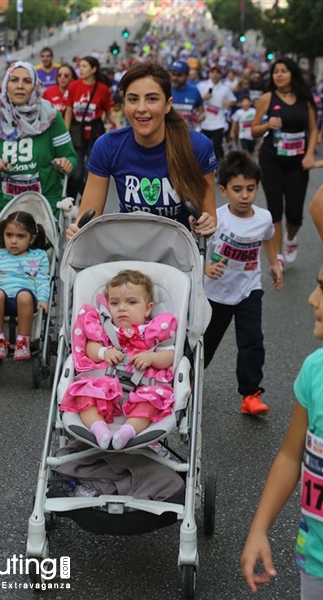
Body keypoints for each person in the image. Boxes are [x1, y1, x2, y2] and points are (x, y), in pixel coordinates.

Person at [241, 263, 323, 599]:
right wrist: (259, 529)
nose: (311, 298)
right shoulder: (314, 372)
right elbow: (291, 456)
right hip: (315, 559)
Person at [67, 62, 217, 241]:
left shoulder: (198, 146)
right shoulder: (107, 146)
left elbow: (209, 217)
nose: (141, 108)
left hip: (180, 255)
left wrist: (206, 223)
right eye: (132, 99)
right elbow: (87, 218)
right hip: (129, 253)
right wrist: (77, 230)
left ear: (168, 104)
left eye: (152, 99)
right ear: (124, 104)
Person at [60, 269, 177, 450]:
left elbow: (170, 356)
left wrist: (151, 357)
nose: (121, 308)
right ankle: (99, 430)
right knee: (85, 394)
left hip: (143, 384)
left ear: (147, 308)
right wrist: (103, 352)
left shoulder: (154, 329)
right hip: (105, 382)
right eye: (114, 303)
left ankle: (127, 432)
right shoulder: (104, 327)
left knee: (153, 400)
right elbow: (90, 347)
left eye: (131, 302)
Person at [204, 151, 282, 415]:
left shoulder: (262, 217)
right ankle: (186, 380)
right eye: (237, 189)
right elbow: (196, 247)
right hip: (215, 292)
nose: (245, 195)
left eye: (250, 189)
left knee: (252, 341)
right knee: (206, 342)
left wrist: (273, 263)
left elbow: (268, 237)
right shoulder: (216, 219)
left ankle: (250, 394)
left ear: (257, 188)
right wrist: (206, 266)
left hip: (249, 289)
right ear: (224, 190)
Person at [0, 61, 77, 217]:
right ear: (6, 84)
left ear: (35, 86)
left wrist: (66, 164)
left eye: (27, 81)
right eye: (14, 80)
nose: (20, 86)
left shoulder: (50, 115)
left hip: (46, 205)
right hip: (6, 205)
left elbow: (70, 157)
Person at [252, 57, 318, 271]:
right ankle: (278, 255)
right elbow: (253, 130)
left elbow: (313, 129)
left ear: (292, 74)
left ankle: (291, 237)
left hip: (298, 162)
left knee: (295, 214)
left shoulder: (305, 100)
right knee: (275, 209)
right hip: (271, 160)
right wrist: (266, 125)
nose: (279, 75)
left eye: (284, 71)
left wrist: (309, 155)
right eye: (275, 71)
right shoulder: (267, 98)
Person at [0, 211, 50, 361]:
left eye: (20, 236)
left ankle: (23, 342)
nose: (13, 241)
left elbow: (42, 280)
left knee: (24, 295)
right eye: (9, 235)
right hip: (2, 302)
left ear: (32, 238)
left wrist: (43, 299)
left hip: (28, 302)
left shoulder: (39, 256)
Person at [64, 56, 119, 203]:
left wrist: (119, 126)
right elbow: (69, 111)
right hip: (77, 135)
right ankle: (86, 198)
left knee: (91, 172)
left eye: (84, 66)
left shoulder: (102, 89)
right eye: (80, 66)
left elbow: (109, 113)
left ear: (93, 69)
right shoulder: (73, 86)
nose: (80, 69)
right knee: (76, 174)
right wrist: (65, 133)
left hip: (95, 134)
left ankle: (87, 202)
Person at [197, 65, 236, 161]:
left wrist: (229, 103)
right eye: (212, 72)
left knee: (218, 147)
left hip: (218, 122)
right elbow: (194, 101)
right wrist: (203, 98)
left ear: (220, 75)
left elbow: (233, 100)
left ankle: (220, 168)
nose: (214, 75)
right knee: (201, 147)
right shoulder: (201, 86)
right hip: (204, 122)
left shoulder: (225, 89)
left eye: (217, 73)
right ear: (209, 74)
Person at [169, 59, 204, 128]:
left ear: (187, 76)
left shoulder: (194, 91)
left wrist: (201, 115)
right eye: (173, 74)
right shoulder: (166, 90)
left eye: (179, 75)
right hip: (169, 133)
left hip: (188, 133)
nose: (175, 78)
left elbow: (200, 109)